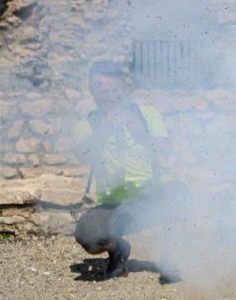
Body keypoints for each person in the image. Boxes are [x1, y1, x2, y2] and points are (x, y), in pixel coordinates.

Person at [72, 62, 170, 280]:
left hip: (151, 196)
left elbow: (166, 149)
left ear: (124, 89)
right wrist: (104, 128)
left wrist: (140, 130)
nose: (110, 97)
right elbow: (82, 156)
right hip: (114, 204)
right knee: (86, 234)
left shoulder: (147, 114)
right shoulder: (87, 124)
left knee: (181, 196)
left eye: (114, 91)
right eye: (102, 91)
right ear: (92, 92)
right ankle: (118, 249)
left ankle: (173, 261)